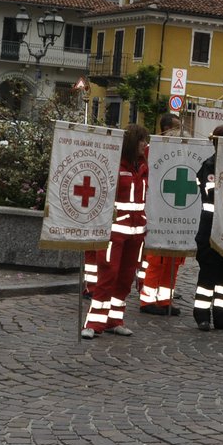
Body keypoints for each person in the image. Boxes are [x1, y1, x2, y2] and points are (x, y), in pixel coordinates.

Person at [83, 124, 149, 339]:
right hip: (115, 232)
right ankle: (94, 323)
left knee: (125, 278)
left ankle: (115, 320)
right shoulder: (114, 165)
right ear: (131, 142)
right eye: (141, 140)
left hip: (136, 233)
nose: (144, 144)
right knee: (107, 276)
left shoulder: (143, 166)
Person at [192, 124, 223, 331]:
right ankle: (202, 316)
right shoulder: (209, 166)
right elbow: (211, 194)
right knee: (208, 276)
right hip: (211, 230)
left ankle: (222, 317)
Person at [138, 113, 187, 315]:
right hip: (157, 211)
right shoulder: (152, 150)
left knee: (173, 259)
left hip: (178, 212)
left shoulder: (183, 151)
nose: (180, 131)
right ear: (165, 129)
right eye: (176, 127)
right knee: (157, 257)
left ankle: (165, 299)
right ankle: (147, 301)